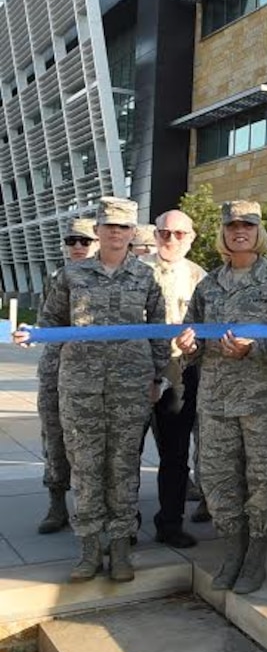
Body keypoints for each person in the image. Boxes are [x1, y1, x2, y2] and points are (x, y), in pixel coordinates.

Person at [28, 197, 169, 583]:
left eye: (123, 227)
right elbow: (49, 323)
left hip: (130, 386)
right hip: (80, 386)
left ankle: (121, 549)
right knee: (86, 467)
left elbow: (159, 328)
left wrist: (158, 377)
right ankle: (89, 549)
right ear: (98, 231)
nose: (115, 233)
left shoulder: (144, 277)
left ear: (132, 232)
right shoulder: (71, 277)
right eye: (109, 226)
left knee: (123, 467)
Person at [173, 200, 267, 594]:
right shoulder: (208, 285)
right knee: (219, 478)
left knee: (262, 478)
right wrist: (186, 343)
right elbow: (194, 339)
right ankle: (233, 551)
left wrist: (254, 349)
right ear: (222, 233)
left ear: (258, 232)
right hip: (216, 400)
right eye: (231, 225)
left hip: (262, 401)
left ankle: (256, 555)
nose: (238, 230)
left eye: (247, 224)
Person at [143, 210, 207, 549]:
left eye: (179, 234)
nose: (171, 240)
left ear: (191, 238)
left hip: (179, 377)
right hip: (135, 376)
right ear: (155, 235)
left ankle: (169, 523)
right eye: (164, 233)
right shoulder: (136, 271)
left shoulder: (201, 278)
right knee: (127, 454)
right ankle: (125, 524)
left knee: (175, 456)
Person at [35, 217, 98, 535]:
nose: (77, 247)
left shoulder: (111, 279)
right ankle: (56, 502)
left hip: (95, 371)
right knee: (54, 434)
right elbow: (47, 321)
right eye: (71, 241)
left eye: (84, 241)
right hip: (56, 366)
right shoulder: (57, 278)